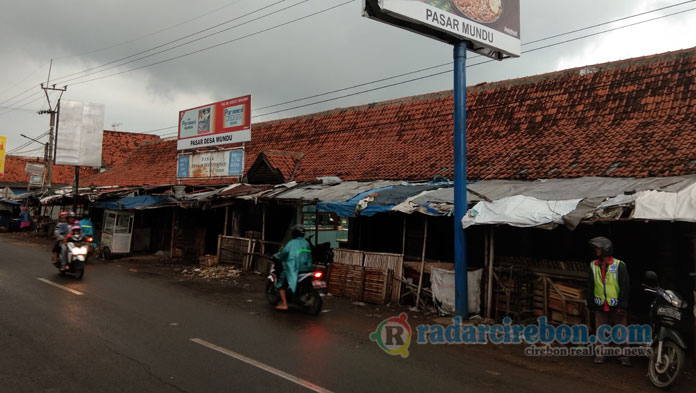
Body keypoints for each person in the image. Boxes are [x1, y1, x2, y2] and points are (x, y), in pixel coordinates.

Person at [586, 236, 631, 366]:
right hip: (600, 304)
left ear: (605, 249)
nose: (596, 251)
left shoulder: (619, 265)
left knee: (620, 330)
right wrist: (591, 303)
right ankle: (601, 354)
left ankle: (623, 356)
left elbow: (625, 286)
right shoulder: (593, 265)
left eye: (598, 249)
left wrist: (622, 305)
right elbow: (590, 286)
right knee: (601, 330)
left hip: (616, 305)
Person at [273, 225, 313, 311]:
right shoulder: (306, 243)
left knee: (281, 283)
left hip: (294, 269)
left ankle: (284, 304)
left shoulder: (292, 243)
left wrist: (276, 256)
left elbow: (283, 253)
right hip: (307, 269)